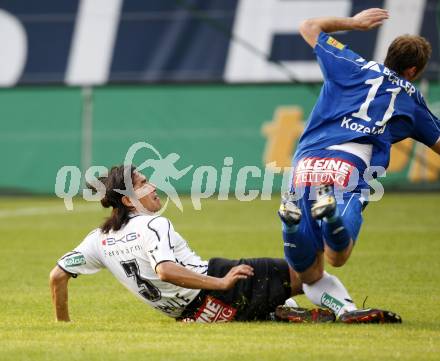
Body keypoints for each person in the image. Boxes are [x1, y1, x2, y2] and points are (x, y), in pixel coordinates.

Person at [49, 165, 399, 323]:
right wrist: (221, 281)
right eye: (143, 183)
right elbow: (166, 270)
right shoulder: (152, 224)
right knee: (309, 268)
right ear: (128, 200)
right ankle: (346, 310)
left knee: (267, 282)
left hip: (192, 316)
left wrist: (63, 325)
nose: (153, 187)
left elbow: (57, 277)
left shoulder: (100, 239)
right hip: (216, 289)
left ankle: (278, 309)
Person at [278, 8, 440, 315]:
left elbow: (309, 25)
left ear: (388, 55)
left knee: (310, 272)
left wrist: (355, 23)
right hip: (348, 165)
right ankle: (331, 218)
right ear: (412, 71)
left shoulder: (349, 62)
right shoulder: (412, 99)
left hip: (306, 162)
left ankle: (291, 224)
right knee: (337, 256)